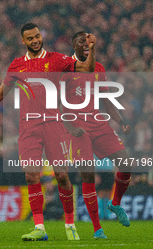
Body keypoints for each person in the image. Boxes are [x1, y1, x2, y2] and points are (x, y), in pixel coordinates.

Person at [0, 23, 96, 241]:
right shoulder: (17, 65)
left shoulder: (56, 59)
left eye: (37, 36)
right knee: (31, 175)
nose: (35, 40)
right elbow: (0, 93)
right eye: (30, 38)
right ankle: (39, 227)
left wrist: (90, 49)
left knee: (61, 175)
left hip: (54, 124)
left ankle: (70, 223)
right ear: (23, 41)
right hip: (28, 127)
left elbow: (86, 68)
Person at [62, 31, 132, 238]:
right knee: (88, 173)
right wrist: (69, 126)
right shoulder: (65, 68)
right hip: (77, 127)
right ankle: (97, 228)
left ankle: (115, 203)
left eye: (88, 42)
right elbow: (56, 103)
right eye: (81, 42)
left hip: (99, 124)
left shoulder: (98, 68)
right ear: (73, 45)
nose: (85, 45)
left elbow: (106, 98)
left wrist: (120, 121)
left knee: (126, 163)